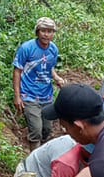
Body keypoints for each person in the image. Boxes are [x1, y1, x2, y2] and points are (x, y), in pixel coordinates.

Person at [12, 18, 65, 147]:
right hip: (29, 95)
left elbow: (49, 67)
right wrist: (18, 96)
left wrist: (57, 78)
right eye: (43, 31)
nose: (46, 34)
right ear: (37, 32)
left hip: (47, 96)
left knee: (47, 130)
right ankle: (34, 162)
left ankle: (42, 154)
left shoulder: (53, 49)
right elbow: (17, 71)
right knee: (36, 130)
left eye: (50, 31)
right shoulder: (27, 48)